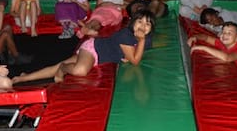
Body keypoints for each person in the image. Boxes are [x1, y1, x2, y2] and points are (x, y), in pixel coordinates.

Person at [13, 9, 155, 84]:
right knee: (80, 70)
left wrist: (131, 52)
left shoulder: (147, 39)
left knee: (56, 66)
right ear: (133, 23)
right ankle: (63, 69)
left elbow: (136, 53)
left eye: (147, 24)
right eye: (140, 22)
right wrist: (137, 46)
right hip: (93, 49)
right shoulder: (126, 34)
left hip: (98, 56)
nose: (142, 26)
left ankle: (24, 78)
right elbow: (136, 61)